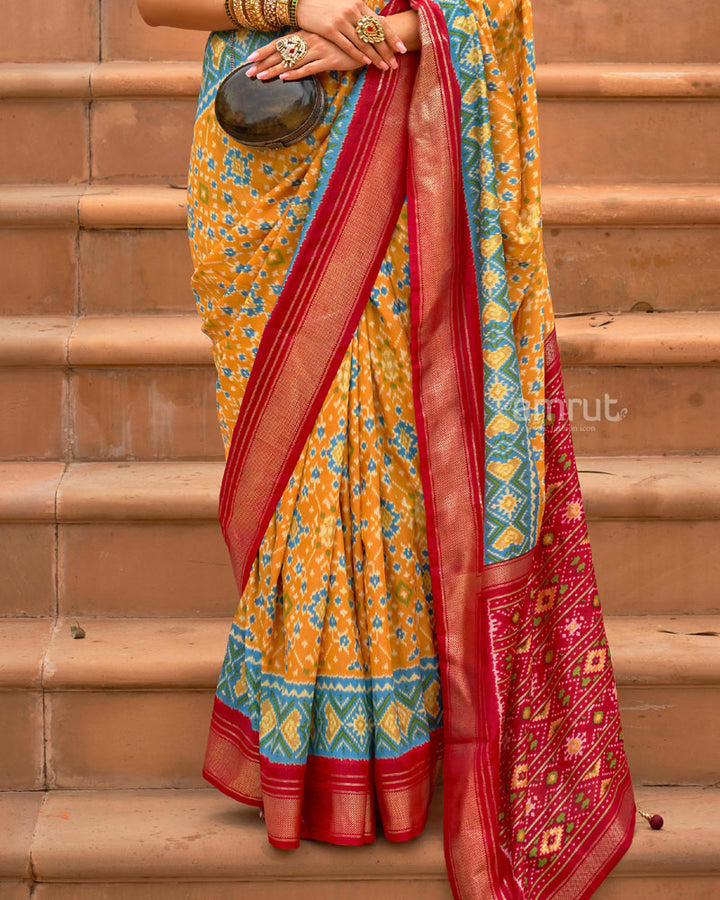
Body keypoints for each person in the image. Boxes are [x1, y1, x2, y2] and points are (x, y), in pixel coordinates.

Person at [137, 0, 636, 895]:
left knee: (385, 458)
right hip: (259, 153)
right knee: (298, 470)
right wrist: (301, 9)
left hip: (397, 139)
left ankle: (380, 764)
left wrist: (385, 35)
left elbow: (493, 10)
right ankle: (309, 756)